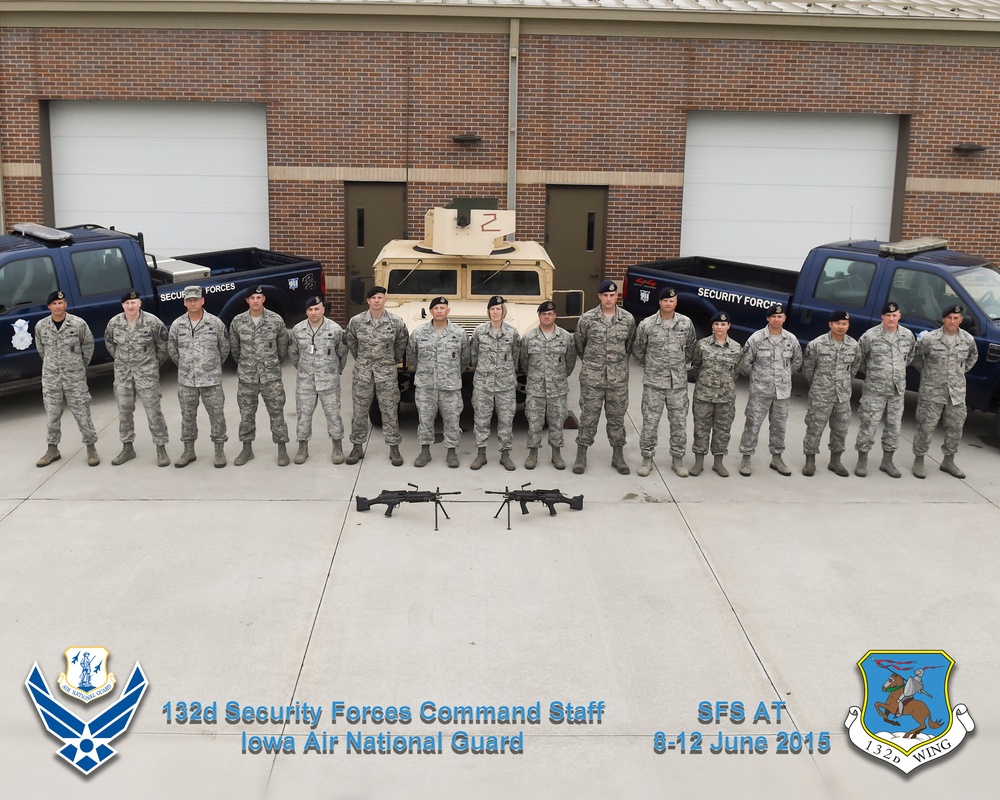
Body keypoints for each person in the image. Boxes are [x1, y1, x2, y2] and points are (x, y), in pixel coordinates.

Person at [573, 279, 637, 474]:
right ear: (599, 296)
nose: (609, 299)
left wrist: (616, 365)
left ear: (617, 296)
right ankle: (581, 455)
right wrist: (594, 364)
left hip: (618, 380)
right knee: (588, 417)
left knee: (617, 418)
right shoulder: (587, 318)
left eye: (613, 295)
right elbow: (579, 345)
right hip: (593, 378)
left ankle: (618, 455)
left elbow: (630, 346)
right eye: (605, 295)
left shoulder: (627, 319)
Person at [633, 286, 696, 477]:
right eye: (665, 300)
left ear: (676, 303)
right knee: (650, 423)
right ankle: (647, 458)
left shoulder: (685, 323)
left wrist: (680, 366)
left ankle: (678, 459)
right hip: (654, 383)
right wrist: (652, 367)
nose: (669, 303)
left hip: (677, 385)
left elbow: (692, 347)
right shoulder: (647, 324)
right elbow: (638, 350)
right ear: (659, 302)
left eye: (672, 301)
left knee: (678, 423)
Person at [910, 304, 978, 479]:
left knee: (955, 428)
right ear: (943, 319)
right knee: (926, 426)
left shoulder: (968, 340)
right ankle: (919, 460)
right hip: (932, 391)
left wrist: (959, 372)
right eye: (949, 318)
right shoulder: (930, 339)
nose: (952, 321)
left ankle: (948, 460)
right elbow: (916, 357)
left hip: (956, 393)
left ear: (961, 320)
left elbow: (972, 357)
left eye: (956, 318)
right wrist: (927, 371)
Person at [104, 289, 170, 467]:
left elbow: (164, 344)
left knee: (153, 412)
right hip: (123, 376)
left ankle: (161, 448)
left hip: (147, 375)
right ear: (122, 305)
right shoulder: (114, 323)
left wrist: (153, 364)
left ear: (139, 303)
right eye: (127, 303)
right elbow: (109, 343)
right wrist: (122, 360)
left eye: (134, 303)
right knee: (124, 412)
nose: (130, 306)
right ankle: (127, 447)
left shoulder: (152, 322)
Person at [344, 285, 409, 467]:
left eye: (380, 297)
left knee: (389, 411)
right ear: (368, 300)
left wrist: (390, 360)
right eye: (373, 298)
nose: (377, 301)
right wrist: (363, 360)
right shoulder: (356, 321)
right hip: (363, 374)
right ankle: (357, 446)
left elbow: (402, 343)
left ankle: (394, 448)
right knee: (359, 411)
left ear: (385, 300)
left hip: (387, 373)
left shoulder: (396, 322)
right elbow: (351, 342)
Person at [34, 289, 100, 467]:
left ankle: (91, 447)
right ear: (49, 306)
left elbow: (88, 347)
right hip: (51, 379)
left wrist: (78, 366)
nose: (58, 306)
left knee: (82, 413)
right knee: (52, 415)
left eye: (61, 303)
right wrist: (54, 366)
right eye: (54, 304)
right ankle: (52, 449)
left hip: (75, 378)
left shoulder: (78, 324)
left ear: (66, 305)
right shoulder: (41, 326)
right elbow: (42, 350)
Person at [168, 285, 230, 468]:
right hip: (187, 381)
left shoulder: (215, 323)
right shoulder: (177, 325)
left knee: (217, 415)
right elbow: (172, 350)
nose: (192, 303)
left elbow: (224, 348)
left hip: (211, 380)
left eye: (196, 299)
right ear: (184, 302)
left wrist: (210, 366)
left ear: (202, 300)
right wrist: (187, 366)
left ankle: (219, 451)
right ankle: (188, 451)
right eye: (189, 300)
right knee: (187, 416)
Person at [738, 303, 803, 476]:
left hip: (782, 393)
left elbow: (796, 362)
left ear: (784, 319)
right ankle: (746, 457)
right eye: (773, 316)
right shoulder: (756, 339)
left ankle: (777, 458)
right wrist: (759, 377)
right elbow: (745, 363)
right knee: (753, 424)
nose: (777, 319)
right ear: (768, 318)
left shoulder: (791, 339)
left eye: (780, 317)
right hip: (760, 392)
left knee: (779, 427)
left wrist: (784, 376)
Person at [229, 285, 291, 466]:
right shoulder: (238, 321)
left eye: (259, 297)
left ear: (264, 299)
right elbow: (235, 349)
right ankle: (247, 449)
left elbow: (282, 348)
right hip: (247, 378)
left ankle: (282, 449)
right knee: (246, 415)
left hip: (271, 377)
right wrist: (246, 365)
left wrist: (271, 364)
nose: (255, 301)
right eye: (252, 298)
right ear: (247, 300)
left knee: (277, 413)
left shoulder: (275, 320)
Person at [854, 301, 916, 478]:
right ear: (882, 316)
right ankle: (862, 460)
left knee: (894, 427)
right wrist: (876, 373)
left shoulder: (907, 335)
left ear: (899, 316)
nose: (891, 318)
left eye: (894, 315)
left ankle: (887, 461)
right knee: (868, 425)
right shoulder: (870, 336)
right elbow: (860, 359)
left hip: (897, 391)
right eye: (888, 315)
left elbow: (909, 357)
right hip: (875, 390)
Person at [407, 296, 471, 468]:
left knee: (452, 419)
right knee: (425, 419)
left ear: (448, 311)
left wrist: (453, 373)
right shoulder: (419, 333)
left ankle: (451, 452)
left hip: (450, 386)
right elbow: (412, 356)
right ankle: (425, 451)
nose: (439, 311)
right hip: (425, 386)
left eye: (443, 308)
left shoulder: (459, 333)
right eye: (436, 308)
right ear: (431, 312)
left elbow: (465, 358)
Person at [287, 296, 349, 464]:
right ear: (306, 311)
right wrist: (303, 369)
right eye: (310, 310)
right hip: (305, 381)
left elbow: (342, 353)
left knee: (333, 414)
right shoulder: (298, 330)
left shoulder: (335, 329)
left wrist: (335, 371)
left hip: (329, 380)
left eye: (316, 309)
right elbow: (293, 354)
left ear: (323, 309)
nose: (313, 312)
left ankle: (337, 446)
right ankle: (302, 447)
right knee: (304, 415)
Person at [800, 310, 861, 477]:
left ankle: (835, 460)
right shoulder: (817, 344)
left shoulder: (854, 346)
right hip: (821, 395)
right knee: (815, 428)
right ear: (830, 324)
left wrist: (843, 384)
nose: (841, 327)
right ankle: (810, 460)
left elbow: (854, 369)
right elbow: (808, 369)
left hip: (842, 396)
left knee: (840, 429)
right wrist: (820, 385)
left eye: (844, 324)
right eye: (838, 323)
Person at [519, 300, 577, 470]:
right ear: (539, 316)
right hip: (535, 388)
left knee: (557, 422)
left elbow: (570, 362)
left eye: (550, 314)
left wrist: (558, 377)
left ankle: (556, 453)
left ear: (555, 316)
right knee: (534, 422)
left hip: (557, 389)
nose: (547, 316)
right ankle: (533, 453)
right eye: (544, 314)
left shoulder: (566, 337)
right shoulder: (529, 338)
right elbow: (524, 362)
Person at [469, 295, 520, 471]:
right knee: (481, 420)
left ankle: (505, 454)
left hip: (505, 385)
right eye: (492, 309)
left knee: (506, 420)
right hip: (483, 385)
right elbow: (473, 357)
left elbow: (516, 357)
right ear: (488, 312)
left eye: (498, 309)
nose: (495, 312)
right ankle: (481, 454)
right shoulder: (479, 332)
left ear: (503, 311)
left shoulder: (512, 333)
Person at [689, 311, 743, 477]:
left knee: (723, 430)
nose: (720, 327)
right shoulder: (702, 345)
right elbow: (696, 366)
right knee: (701, 428)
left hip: (725, 397)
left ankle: (718, 463)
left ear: (729, 326)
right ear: (712, 326)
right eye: (717, 324)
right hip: (704, 395)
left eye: (723, 324)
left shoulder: (736, 348)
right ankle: (698, 462)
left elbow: (737, 371)